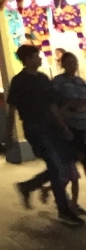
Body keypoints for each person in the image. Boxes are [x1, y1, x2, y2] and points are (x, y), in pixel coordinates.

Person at [6, 43, 83, 225]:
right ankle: (63, 210)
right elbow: (12, 108)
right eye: (36, 57)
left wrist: (62, 126)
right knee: (56, 167)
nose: (40, 59)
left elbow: (52, 104)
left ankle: (27, 186)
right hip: (35, 129)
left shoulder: (43, 78)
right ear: (27, 59)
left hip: (51, 127)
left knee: (63, 164)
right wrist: (8, 133)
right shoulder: (19, 81)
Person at [49, 52, 86, 214]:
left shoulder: (80, 82)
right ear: (62, 64)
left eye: (75, 62)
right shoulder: (58, 82)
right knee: (69, 169)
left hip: (83, 126)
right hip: (68, 128)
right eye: (69, 62)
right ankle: (66, 201)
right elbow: (54, 105)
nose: (73, 65)